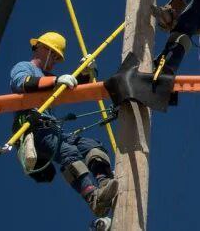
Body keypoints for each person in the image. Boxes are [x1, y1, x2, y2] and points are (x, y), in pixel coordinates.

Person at [9, 31, 118, 218]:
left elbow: (68, 90)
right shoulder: (24, 67)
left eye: (58, 58)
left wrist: (85, 72)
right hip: (34, 130)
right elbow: (22, 82)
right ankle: (94, 198)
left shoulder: (48, 78)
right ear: (40, 48)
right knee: (68, 152)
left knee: (91, 146)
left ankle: (106, 184)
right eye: (53, 55)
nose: (55, 62)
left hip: (52, 130)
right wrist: (55, 80)